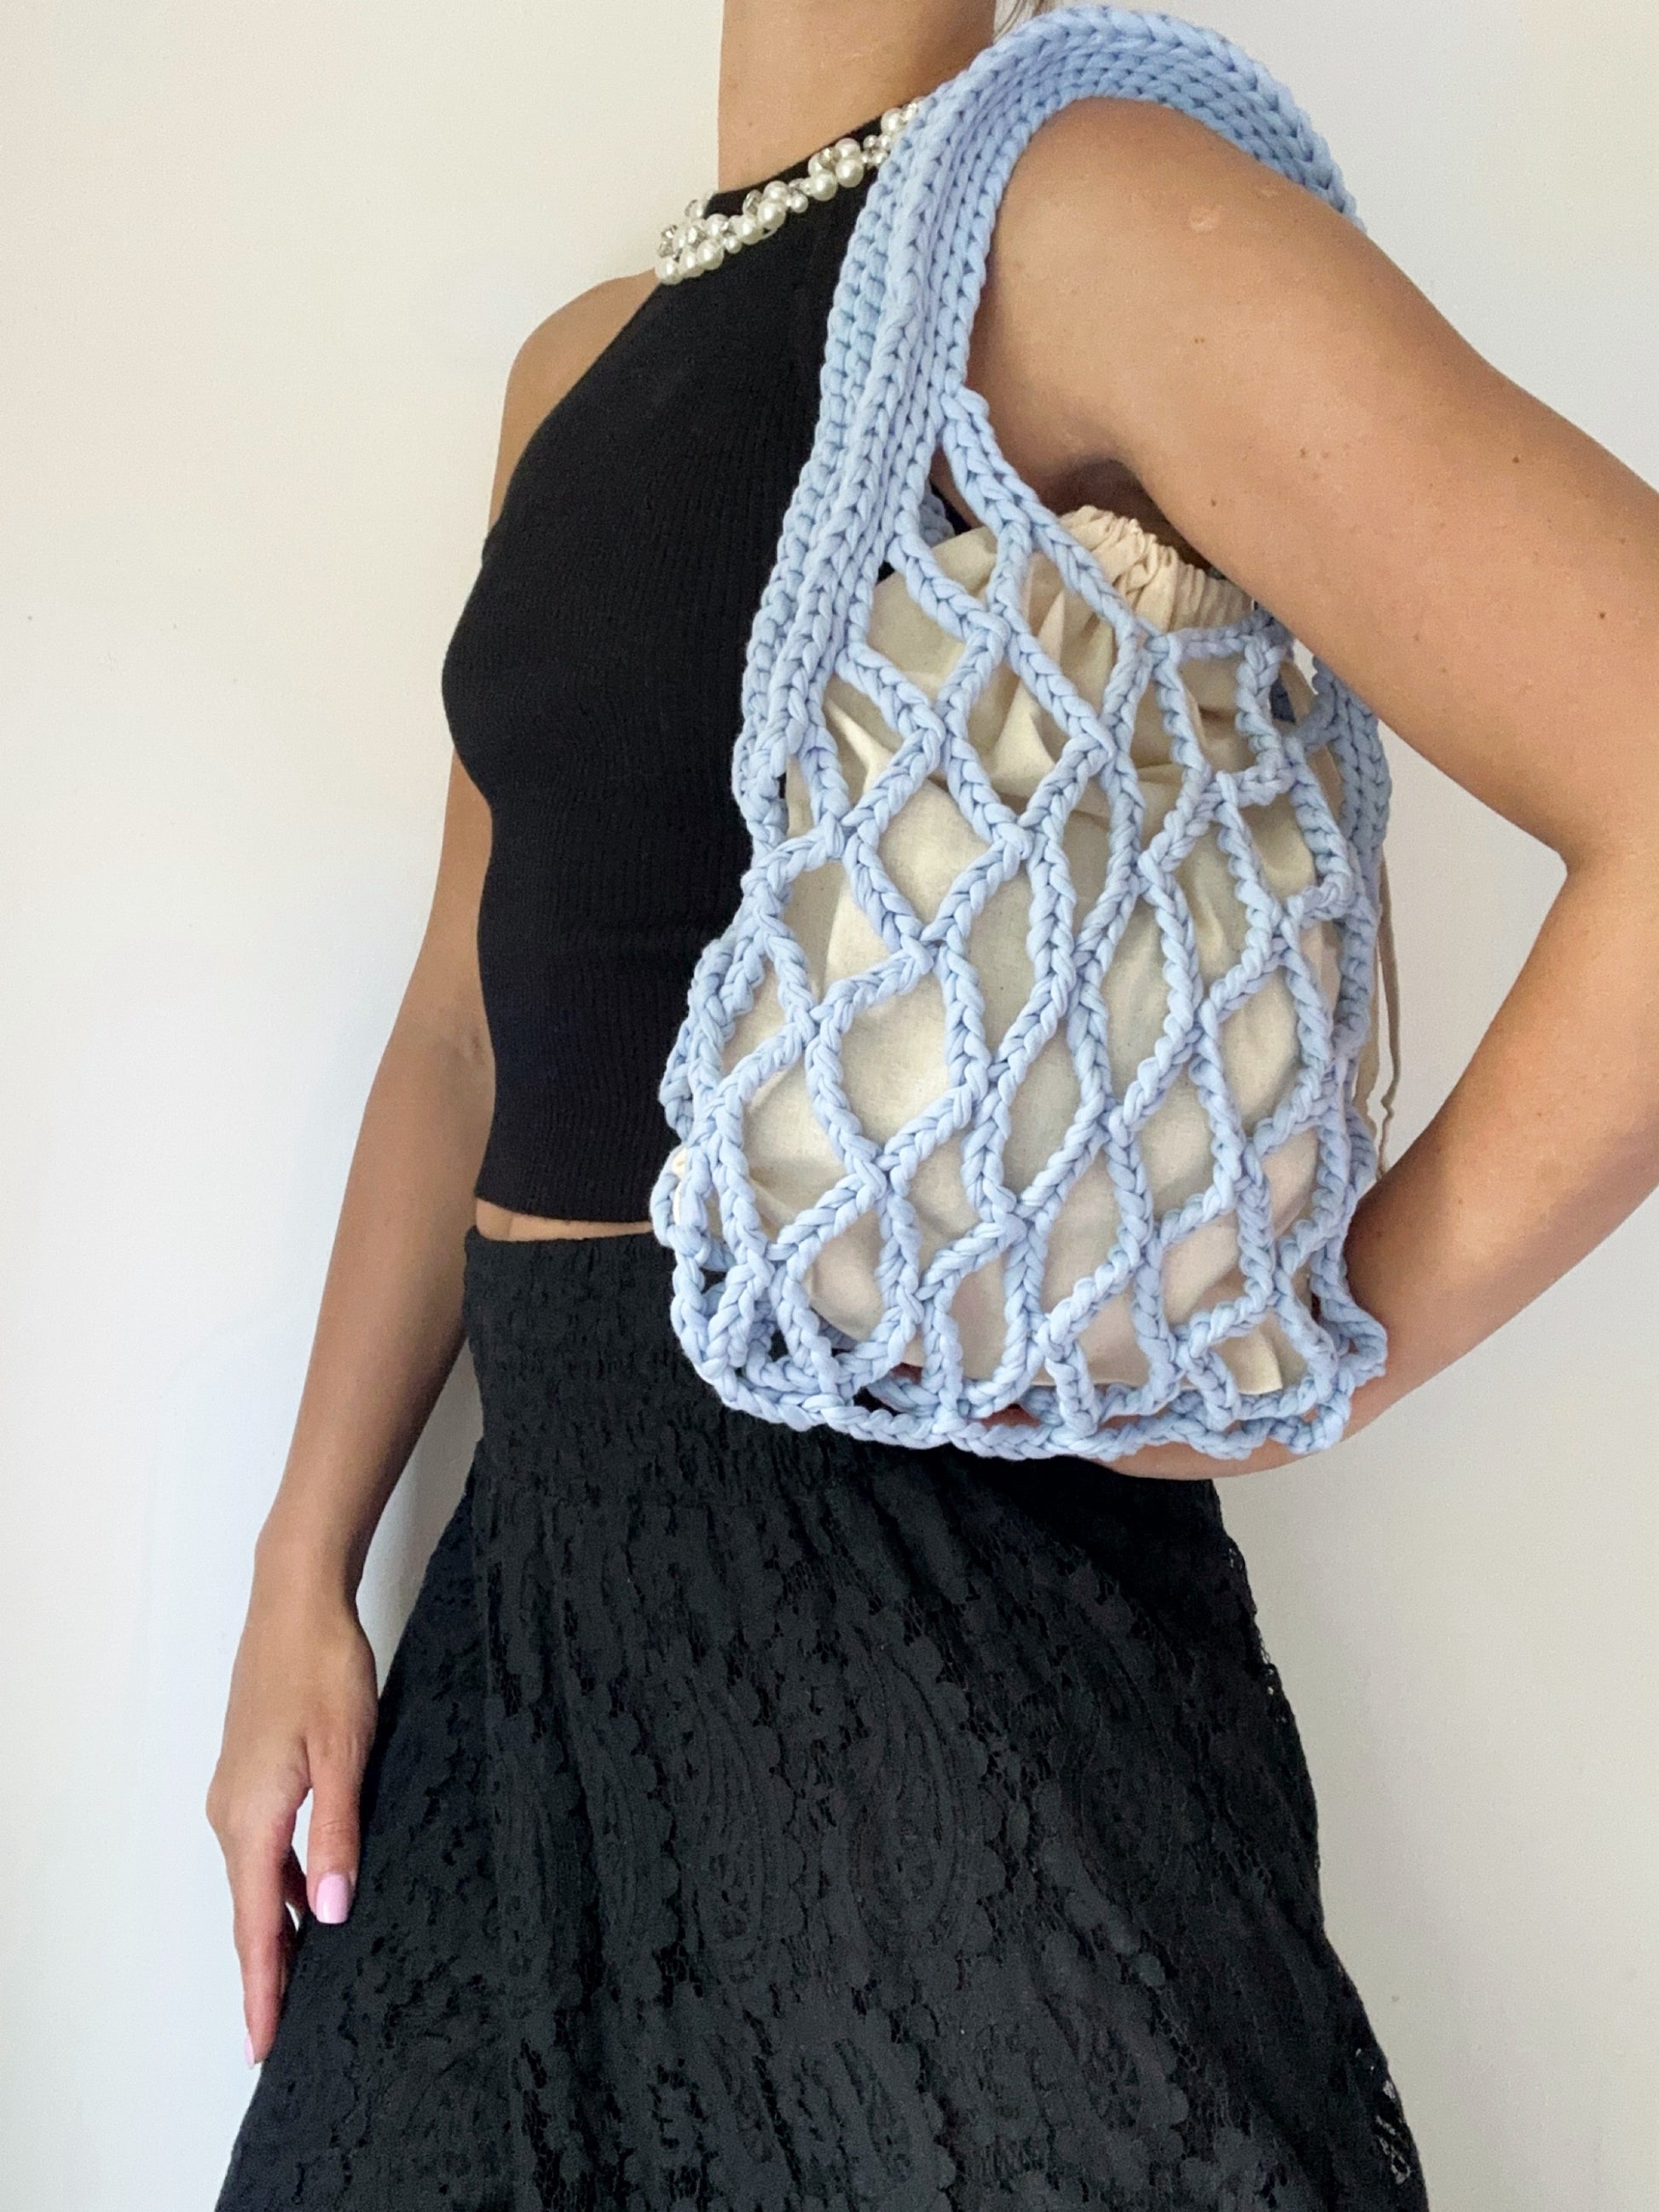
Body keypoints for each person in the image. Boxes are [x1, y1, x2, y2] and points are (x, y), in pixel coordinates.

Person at [208, 1, 1659, 2203]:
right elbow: (461, 1030)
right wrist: (300, 1566)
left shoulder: (1084, 218)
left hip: (925, 1624)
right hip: (533, 1624)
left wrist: (1327, 1356)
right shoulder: (573, 370)